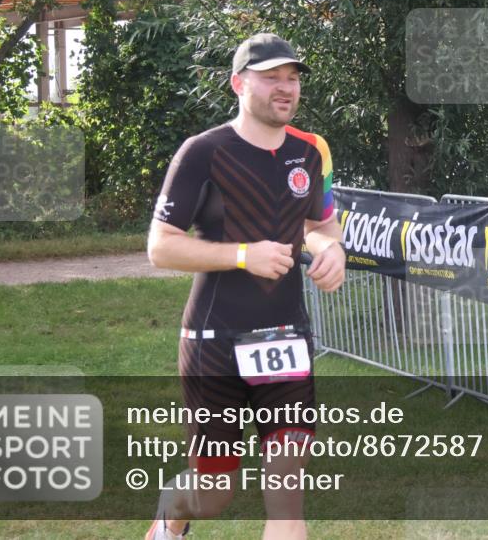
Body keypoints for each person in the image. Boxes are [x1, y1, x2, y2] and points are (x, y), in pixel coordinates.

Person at [145, 33, 346, 540]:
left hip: (285, 338)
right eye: (272, 77)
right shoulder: (203, 152)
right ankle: (171, 517)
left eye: (293, 78)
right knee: (214, 492)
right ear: (239, 83)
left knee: (286, 496)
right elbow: (161, 247)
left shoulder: (311, 151)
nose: (286, 87)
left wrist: (331, 253)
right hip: (214, 342)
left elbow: (321, 226)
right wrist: (241, 255)